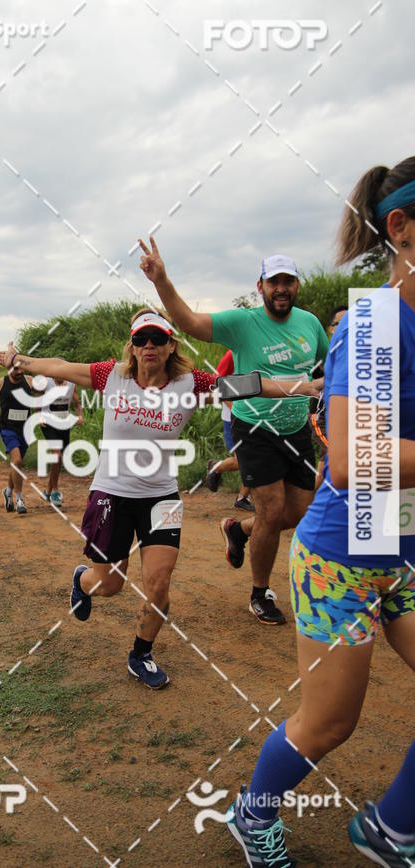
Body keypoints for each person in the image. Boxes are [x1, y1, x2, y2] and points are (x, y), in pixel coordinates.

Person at [226, 157, 415, 867]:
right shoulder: (373, 325)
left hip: (405, 547)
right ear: (401, 228)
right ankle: (253, 816)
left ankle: (393, 828)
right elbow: (350, 461)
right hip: (343, 556)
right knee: (330, 722)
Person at [0, 310, 318, 688]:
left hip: (161, 496)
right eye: (142, 339)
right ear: (132, 345)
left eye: (158, 339)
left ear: (170, 344)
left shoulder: (190, 383)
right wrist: (18, 360)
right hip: (111, 492)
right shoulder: (111, 376)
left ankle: (141, 654)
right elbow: (61, 367)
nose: (149, 346)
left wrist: (305, 387)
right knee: (109, 584)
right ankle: (83, 582)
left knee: (158, 583)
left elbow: (248, 386)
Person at [139, 239, 329, 626]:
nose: (281, 288)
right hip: (253, 426)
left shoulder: (309, 324)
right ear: (260, 287)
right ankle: (261, 593)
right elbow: (189, 321)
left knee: (299, 510)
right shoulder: (243, 323)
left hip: (295, 430)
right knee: (272, 510)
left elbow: (326, 369)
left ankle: (238, 530)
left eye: (288, 281)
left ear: (297, 286)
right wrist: (161, 280)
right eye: (273, 281)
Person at [0, 364, 35, 514]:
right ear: (9, 369)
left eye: (21, 369)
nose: (20, 372)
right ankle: (19, 499)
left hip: (25, 429)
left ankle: (8, 491)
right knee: (17, 461)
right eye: (16, 369)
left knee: (15, 464)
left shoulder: (30, 381)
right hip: (7, 428)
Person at [206, 349, 254, 511]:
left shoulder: (264, 349)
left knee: (255, 458)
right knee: (244, 460)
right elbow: (217, 385)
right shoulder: (232, 354)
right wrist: (235, 410)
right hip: (233, 417)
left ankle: (242, 497)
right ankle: (217, 468)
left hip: (257, 415)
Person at [309, 305, 348, 491]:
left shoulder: (358, 352)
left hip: (342, 419)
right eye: (339, 323)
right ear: (331, 328)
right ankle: (310, 504)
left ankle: (307, 503)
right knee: (336, 453)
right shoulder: (325, 353)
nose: (345, 326)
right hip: (321, 417)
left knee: (327, 461)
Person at [40, 377, 83, 507]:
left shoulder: (71, 384)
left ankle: (47, 491)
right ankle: (55, 491)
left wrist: (80, 415)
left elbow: (76, 403)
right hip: (48, 424)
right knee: (57, 455)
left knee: (58, 459)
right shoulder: (46, 383)